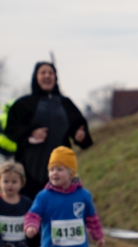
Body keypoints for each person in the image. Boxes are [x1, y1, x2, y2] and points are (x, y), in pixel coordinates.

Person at [4, 62, 92, 199]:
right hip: (30, 170)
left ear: (55, 78)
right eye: (43, 72)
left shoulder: (65, 103)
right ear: (35, 77)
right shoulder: (23, 104)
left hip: (61, 172)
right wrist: (30, 133)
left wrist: (80, 135)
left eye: (51, 73)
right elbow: (10, 129)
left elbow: (78, 126)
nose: (47, 76)